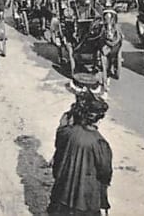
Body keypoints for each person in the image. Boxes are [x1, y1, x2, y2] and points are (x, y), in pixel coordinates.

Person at [48, 85, 112, 216]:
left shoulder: (68, 132)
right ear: (99, 119)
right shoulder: (100, 143)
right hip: (85, 198)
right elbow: (105, 172)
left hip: (63, 193)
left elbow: (59, 145)